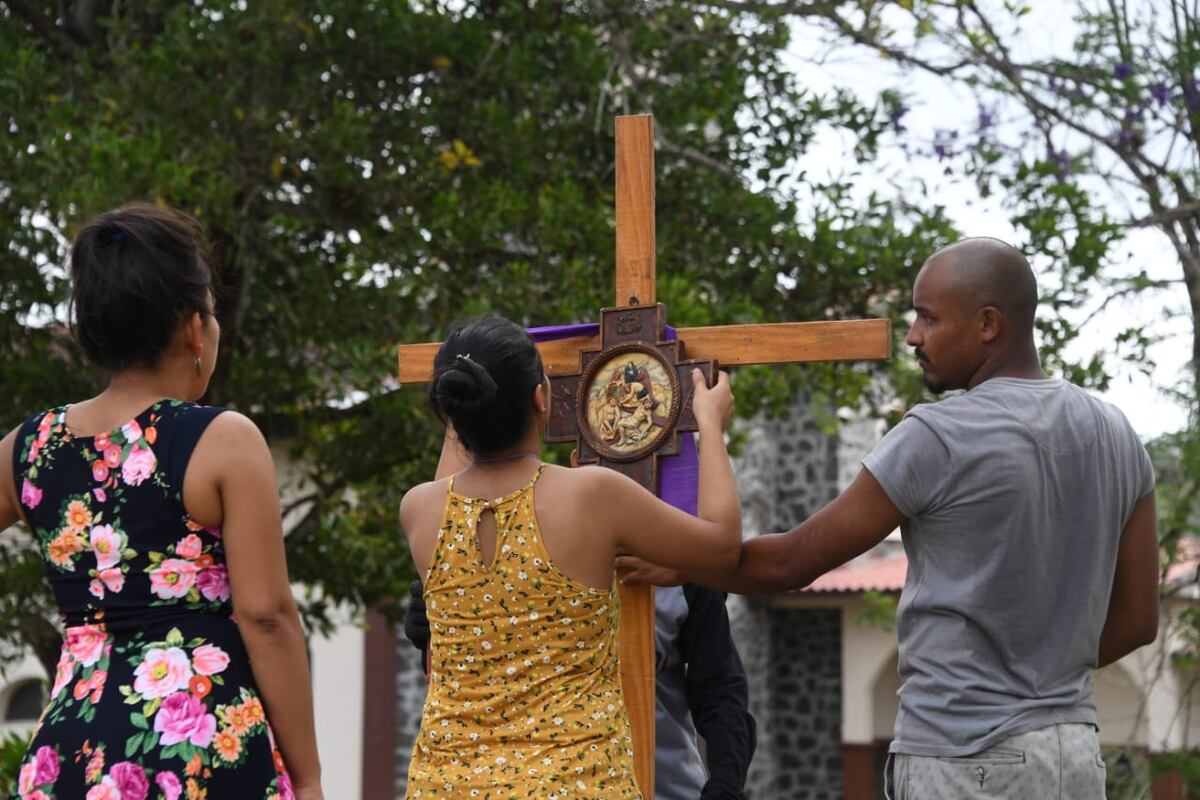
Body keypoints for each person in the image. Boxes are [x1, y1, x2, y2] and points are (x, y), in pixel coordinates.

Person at [621, 238, 1159, 799]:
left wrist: (684, 560)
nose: (913, 337)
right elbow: (1140, 620)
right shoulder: (1116, 433)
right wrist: (1040, 670)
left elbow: (788, 563)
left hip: (963, 757)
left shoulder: (939, 434)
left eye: (928, 318)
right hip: (1073, 753)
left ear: (988, 324)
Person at [0, 203, 323, 799]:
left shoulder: (29, 446)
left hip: (68, 755)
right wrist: (308, 777)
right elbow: (267, 616)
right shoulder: (224, 440)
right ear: (193, 328)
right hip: (200, 750)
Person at [398, 315, 741, 799]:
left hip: (447, 786)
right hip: (576, 783)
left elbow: (456, 469)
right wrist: (710, 422)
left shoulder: (419, 510)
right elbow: (723, 547)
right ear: (542, 400)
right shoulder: (593, 496)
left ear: (452, 411)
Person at [403, 578, 758, 799]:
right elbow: (473, 682)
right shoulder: (523, 561)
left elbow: (720, 689)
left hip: (663, 786)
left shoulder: (678, 574)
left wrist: (725, 784)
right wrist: (435, 635)